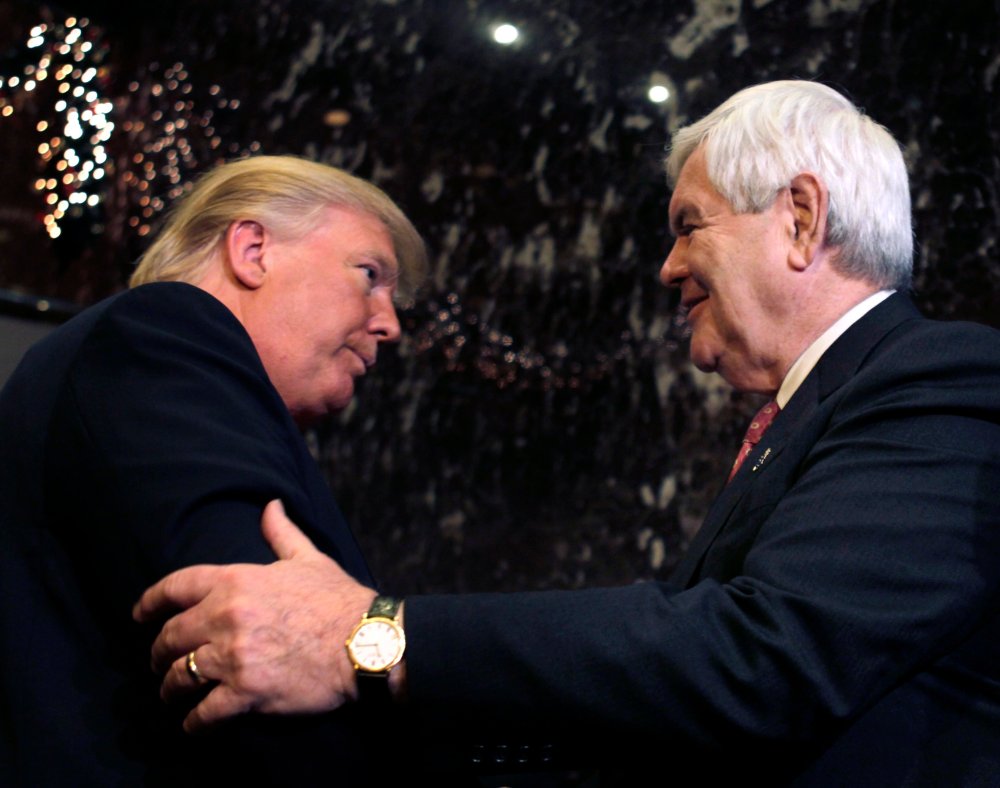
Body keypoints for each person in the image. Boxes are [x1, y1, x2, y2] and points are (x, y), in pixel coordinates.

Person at [135, 80, 1000, 785]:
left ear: (801, 220)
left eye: (687, 225)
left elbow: (760, 660)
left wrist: (373, 635)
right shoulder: (814, 416)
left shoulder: (941, 376)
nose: (666, 267)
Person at [0, 154, 433, 785]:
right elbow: (268, 675)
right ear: (252, 249)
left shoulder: (164, 380)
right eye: (369, 274)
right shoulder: (163, 331)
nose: (389, 324)